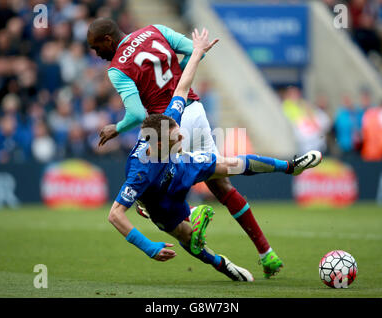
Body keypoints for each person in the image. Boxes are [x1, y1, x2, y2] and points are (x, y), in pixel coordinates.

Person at [107, 28, 323, 281]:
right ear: (160, 144)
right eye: (177, 137)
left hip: (178, 167)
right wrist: (149, 246)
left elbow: (182, 87)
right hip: (159, 197)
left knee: (227, 164)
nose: (182, 136)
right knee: (185, 235)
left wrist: (197, 52)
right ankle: (221, 263)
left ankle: (289, 166)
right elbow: (114, 214)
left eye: (178, 132)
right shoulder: (141, 170)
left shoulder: (168, 123)